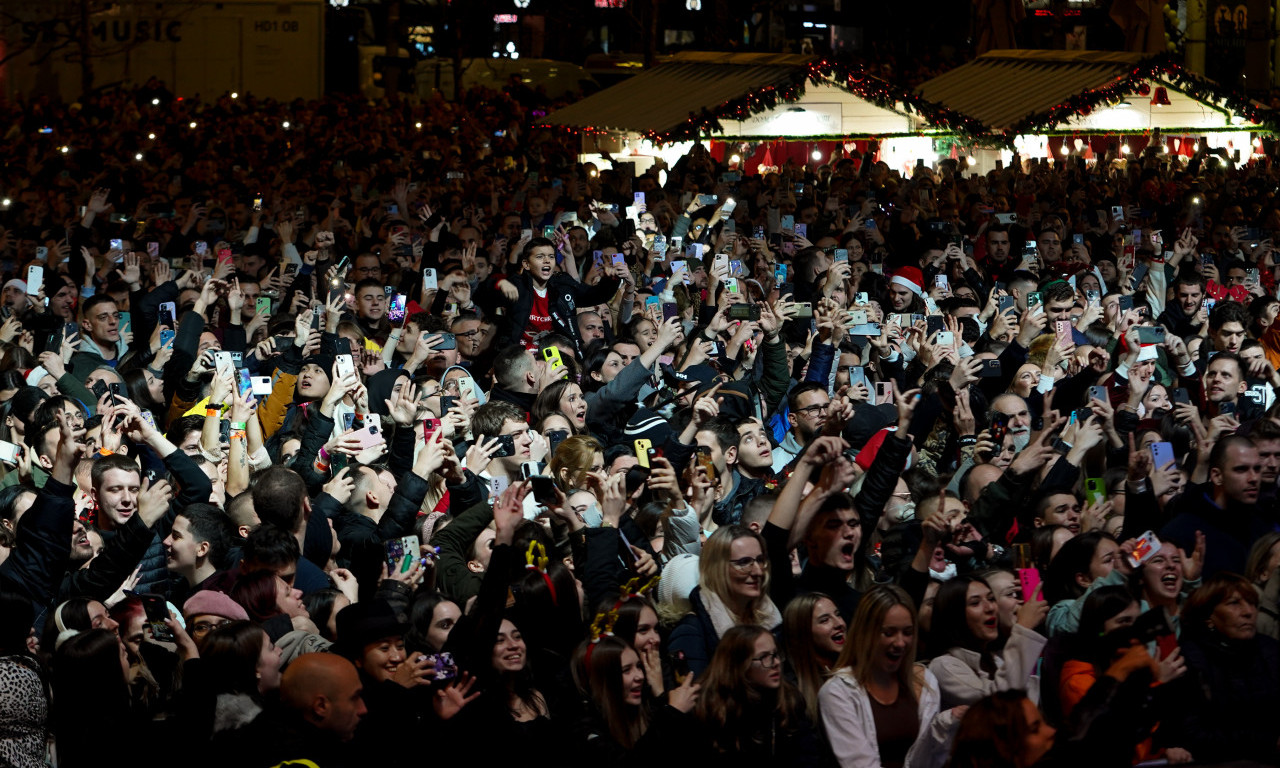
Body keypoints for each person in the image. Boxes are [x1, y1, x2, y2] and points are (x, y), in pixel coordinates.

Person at [819, 585, 961, 768]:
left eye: (908, 632)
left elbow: (929, 761)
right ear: (865, 633)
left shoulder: (925, 680)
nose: (900, 643)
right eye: (889, 633)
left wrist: (945, 723)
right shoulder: (837, 692)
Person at [1175, 573, 1280, 763]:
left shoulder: (1270, 650)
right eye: (1234, 603)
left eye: (1252, 603)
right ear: (1208, 616)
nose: (1248, 611)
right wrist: (1269, 741)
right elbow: (1193, 734)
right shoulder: (1191, 659)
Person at [694, 624, 822, 767]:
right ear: (739, 665)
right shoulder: (711, 708)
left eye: (775, 654)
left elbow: (807, 755)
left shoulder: (789, 697)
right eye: (764, 657)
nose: (776, 663)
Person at [669, 525, 782, 676]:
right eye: (744, 562)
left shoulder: (772, 619)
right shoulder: (691, 631)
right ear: (716, 568)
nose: (758, 571)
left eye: (760, 560)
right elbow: (694, 697)